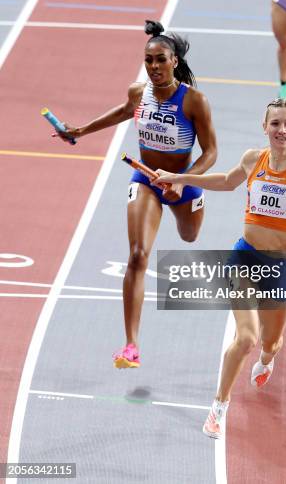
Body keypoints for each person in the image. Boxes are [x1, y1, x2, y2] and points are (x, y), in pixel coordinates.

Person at [152, 98, 286, 438]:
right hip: (244, 260)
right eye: (275, 124)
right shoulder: (252, 159)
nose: (282, 130)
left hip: (282, 267)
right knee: (246, 337)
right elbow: (227, 180)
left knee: (270, 343)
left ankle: (268, 359)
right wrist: (180, 178)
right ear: (265, 127)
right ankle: (218, 407)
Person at [57, 20, 217, 368]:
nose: (154, 67)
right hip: (144, 180)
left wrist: (182, 179)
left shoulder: (194, 101)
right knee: (138, 255)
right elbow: (123, 111)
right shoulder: (137, 93)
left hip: (182, 183)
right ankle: (131, 345)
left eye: (160, 60)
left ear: (174, 61)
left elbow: (211, 153)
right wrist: (81, 130)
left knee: (189, 237)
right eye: (148, 60)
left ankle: (190, 203)